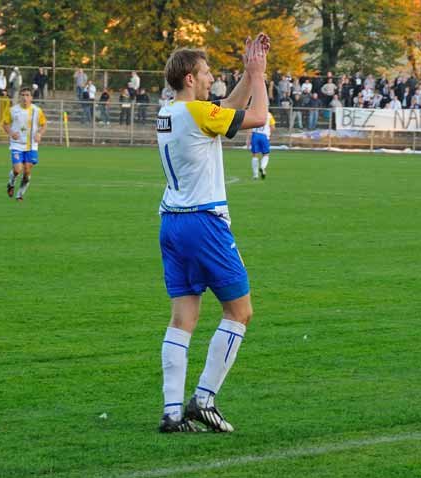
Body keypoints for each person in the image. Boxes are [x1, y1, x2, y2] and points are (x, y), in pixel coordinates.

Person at [155, 33, 270, 433]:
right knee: (240, 311)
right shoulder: (199, 114)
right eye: (205, 73)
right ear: (189, 78)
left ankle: (172, 412)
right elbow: (258, 118)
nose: (210, 78)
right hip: (204, 221)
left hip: (171, 220)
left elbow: (225, 109)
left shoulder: (172, 112)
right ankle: (203, 398)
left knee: (183, 316)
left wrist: (246, 71)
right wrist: (258, 76)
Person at [1, 87, 47, 201]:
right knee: (17, 169)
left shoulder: (37, 110)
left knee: (27, 171)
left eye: (27, 95)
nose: (25, 97)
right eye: (22, 95)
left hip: (31, 146)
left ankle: (20, 194)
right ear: (20, 97)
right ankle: (11, 183)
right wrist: (11, 133)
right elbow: (5, 124)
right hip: (17, 144)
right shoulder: (13, 110)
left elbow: (44, 124)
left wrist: (39, 133)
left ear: (31, 97)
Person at [247, 111, 275, 179]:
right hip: (264, 136)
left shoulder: (255, 113)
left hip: (255, 135)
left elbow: (250, 127)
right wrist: (269, 134)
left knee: (255, 155)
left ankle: (255, 175)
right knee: (266, 154)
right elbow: (273, 127)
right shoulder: (269, 115)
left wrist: (248, 139)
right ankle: (262, 167)